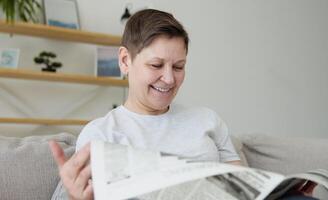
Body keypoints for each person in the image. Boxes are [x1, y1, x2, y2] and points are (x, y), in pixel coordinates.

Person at [49, 9, 241, 200]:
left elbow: (243, 189)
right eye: (156, 65)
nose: (169, 79)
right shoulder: (99, 135)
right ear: (125, 61)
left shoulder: (208, 120)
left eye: (178, 67)